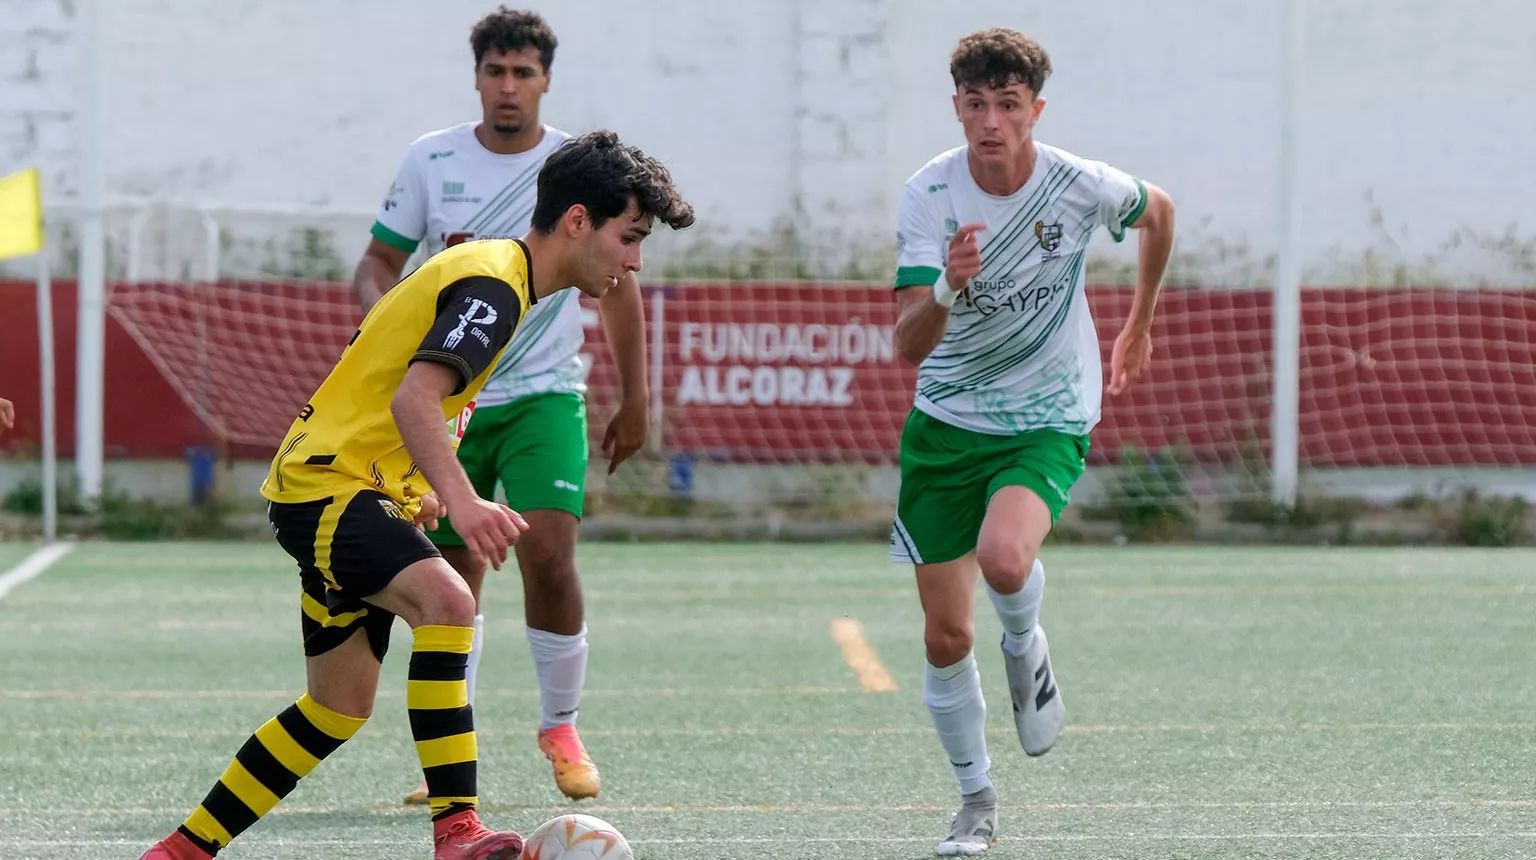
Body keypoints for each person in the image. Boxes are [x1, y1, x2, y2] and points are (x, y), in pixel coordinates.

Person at [140, 130, 694, 860]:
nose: (635, 261)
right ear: (577, 220)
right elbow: (414, 398)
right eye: (630, 237)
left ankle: (179, 851)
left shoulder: (499, 276)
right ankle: (457, 831)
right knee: (450, 602)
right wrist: (463, 501)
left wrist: (422, 489)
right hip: (330, 488)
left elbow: (405, 395)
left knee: (336, 708)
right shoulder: (496, 286)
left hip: (331, 486)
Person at [353, 7, 651, 806]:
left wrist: (636, 396)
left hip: (543, 393)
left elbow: (622, 286)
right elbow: (376, 262)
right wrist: (396, 321)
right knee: (453, 574)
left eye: (523, 72)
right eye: (496, 72)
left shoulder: (577, 169)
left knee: (548, 550)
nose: (508, 86)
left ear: (546, 80)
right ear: (478, 77)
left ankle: (562, 727)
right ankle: (453, 756)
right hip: (455, 398)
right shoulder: (431, 159)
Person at [889, 27, 1175, 856]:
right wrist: (950, 285)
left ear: (1035, 111)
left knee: (1006, 561)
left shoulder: (1077, 184)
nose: (991, 121)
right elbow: (908, 345)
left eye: (1008, 105)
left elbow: (1159, 213)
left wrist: (1138, 325)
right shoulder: (929, 195)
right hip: (947, 426)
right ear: (956, 107)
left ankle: (1024, 640)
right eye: (976, 104)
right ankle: (975, 800)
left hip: (1046, 415)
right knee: (945, 637)